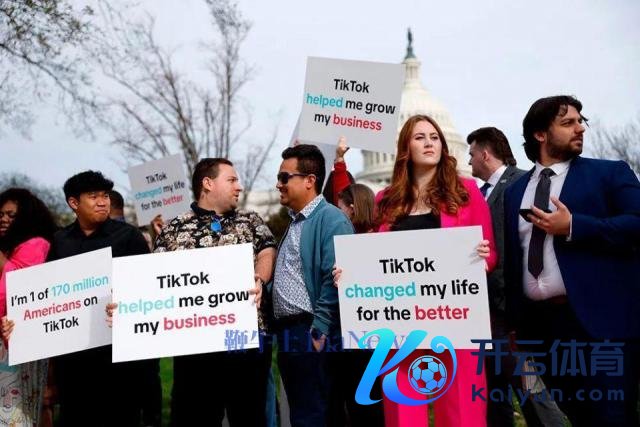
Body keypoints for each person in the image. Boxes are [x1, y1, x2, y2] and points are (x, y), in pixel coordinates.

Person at [504, 95, 640, 426]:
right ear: (540, 134)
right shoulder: (514, 191)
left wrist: (574, 226)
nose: (580, 128)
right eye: (567, 123)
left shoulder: (609, 174)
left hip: (601, 325)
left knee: (612, 418)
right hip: (543, 330)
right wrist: (515, 325)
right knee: (577, 417)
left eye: (581, 121)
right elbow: (514, 259)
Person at [374, 115, 496, 427]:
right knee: (403, 413)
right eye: (420, 137)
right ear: (405, 148)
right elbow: (373, 260)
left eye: (434, 137)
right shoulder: (385, 200)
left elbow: (491, 253)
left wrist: (483, 258)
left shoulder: (466, 192)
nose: (429, 143)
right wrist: (348, 275)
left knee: (462, 414)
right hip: (401, 324)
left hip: (455, 321)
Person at [149, 158, 276, 426]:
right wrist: (125, 308)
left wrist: (260, 278)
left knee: (250, 418)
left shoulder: (250, 220)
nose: (239, 186)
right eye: (231, 180)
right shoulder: (174, 228)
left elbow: (267, 251)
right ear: (208, 183)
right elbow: (154, 279)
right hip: (195, 348)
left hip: (245, 343)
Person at [44, 170, 158, 427]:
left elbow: (147, 288)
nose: (102, 202)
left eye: (105, 195)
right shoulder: (60, 241)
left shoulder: (128, 237)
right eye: (93, 196)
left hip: (118, 360)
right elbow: (48, 296)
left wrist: (125, 302)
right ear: (74, 203)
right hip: (73, 362)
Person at [467, 127, 565, 426]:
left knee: (531, 391)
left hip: (514, 313)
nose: (469, 161)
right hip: (484, 313)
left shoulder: (524, 183)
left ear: (485, 154)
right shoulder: (476, 195)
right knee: (493, 393)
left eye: (472, 154)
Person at [270, 144, 354, 427]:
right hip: (291, 335)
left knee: (314, 416)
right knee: (304, 414)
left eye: (284, 177)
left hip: (312, 333)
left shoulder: (331, 219)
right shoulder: (296, 222)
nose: (279, 184)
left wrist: (320, 328)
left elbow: (336, 278)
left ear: (310, 180)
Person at [0, 188, 57, 427]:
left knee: (25, 410)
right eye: (1, 214)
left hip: (20, 340)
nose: (4, 219)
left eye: (11, 215)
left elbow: (16, 284)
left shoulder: (36, 244)